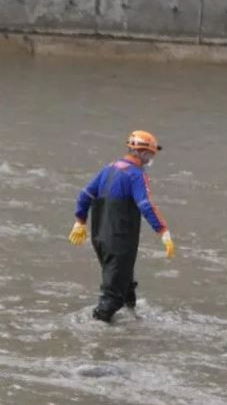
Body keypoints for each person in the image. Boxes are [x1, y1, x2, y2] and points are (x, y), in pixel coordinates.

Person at [69, 130, 174, 323]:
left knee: (125, 285)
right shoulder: (136, 175)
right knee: (113, 296)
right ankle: (97, 331)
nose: (152, 158)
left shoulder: (108, 169)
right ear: (142, 152)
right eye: (151, 153)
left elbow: (84, 195)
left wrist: (80, 221)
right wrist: (163, 231)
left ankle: (132, 323)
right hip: (120, 240)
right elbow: (145, 205)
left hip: (100, 238)